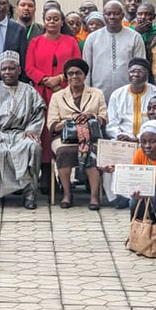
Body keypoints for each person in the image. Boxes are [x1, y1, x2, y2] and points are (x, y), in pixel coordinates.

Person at [0, 51, 45, 209]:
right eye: (4, 69)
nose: (7, 72)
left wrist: (32, 129)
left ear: (19, 70)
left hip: (21, 133)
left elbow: (38, 113)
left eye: (11, 69)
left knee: (33, 146)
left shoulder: (29, 91)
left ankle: (30, 195)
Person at [109, 120, 156, 239]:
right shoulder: (139, 154)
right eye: (143, 142)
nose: (147, 146)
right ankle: (137, 234)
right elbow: (134, 179)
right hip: (146, 195)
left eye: (153, 141)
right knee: (134, 201)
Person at [46, 58, 106, 210]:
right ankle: (67, 194)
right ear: (66, 76)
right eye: (70, 73)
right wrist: (71, 121)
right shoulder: (58, 96)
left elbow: (104, 118)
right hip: (64, 137)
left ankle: (93, 196)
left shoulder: (96, 94)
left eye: (78, 73)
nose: (74, 77)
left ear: (84, 75)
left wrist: (91, 117)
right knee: (64, 152)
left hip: (90, 136)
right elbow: (51, 124)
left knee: (92, 151)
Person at [26, 7, 81, 170]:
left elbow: (76, 63)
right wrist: (45, 80)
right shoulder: (35, 42)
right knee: (43, 130)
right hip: (41, 93)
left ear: (62, 22)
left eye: (56, 19)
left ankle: (64, 170)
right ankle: (45, 173)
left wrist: (59, 79)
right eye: (49, 18)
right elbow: (29, 67)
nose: (52, 21)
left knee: (63, 127)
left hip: (65, 92)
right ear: (44, 21)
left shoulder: (70, 41)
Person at [83, 1, 146, 101]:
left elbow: (141, 68)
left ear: (122, 15)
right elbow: (86, 68)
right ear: (104, 16)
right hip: (98, 94)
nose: (112, 17)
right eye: (108, 14)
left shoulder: (135, 37)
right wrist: (87, 94)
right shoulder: (92, 38)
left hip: (128, 94)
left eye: (116, 13)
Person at [106, 58, 156, 141]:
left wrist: (138, 138)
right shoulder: (117, 95)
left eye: (140, 71)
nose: (136, 74)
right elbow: (112, 124)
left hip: (149, 140)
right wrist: (120, 135)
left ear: (147, 75)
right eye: (132, 71)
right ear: (128, 73)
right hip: (122, 140)